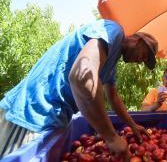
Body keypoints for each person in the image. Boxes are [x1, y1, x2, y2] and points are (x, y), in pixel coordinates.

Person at [0, 19, 158, 160]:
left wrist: (132, 124)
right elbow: (82, 76)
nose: (140, 62)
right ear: (139, 40)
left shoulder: (111, 61)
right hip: (31, 112)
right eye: (144, 56)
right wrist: (111, 137)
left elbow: (113, 97)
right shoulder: (114, 30)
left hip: (53, 119)